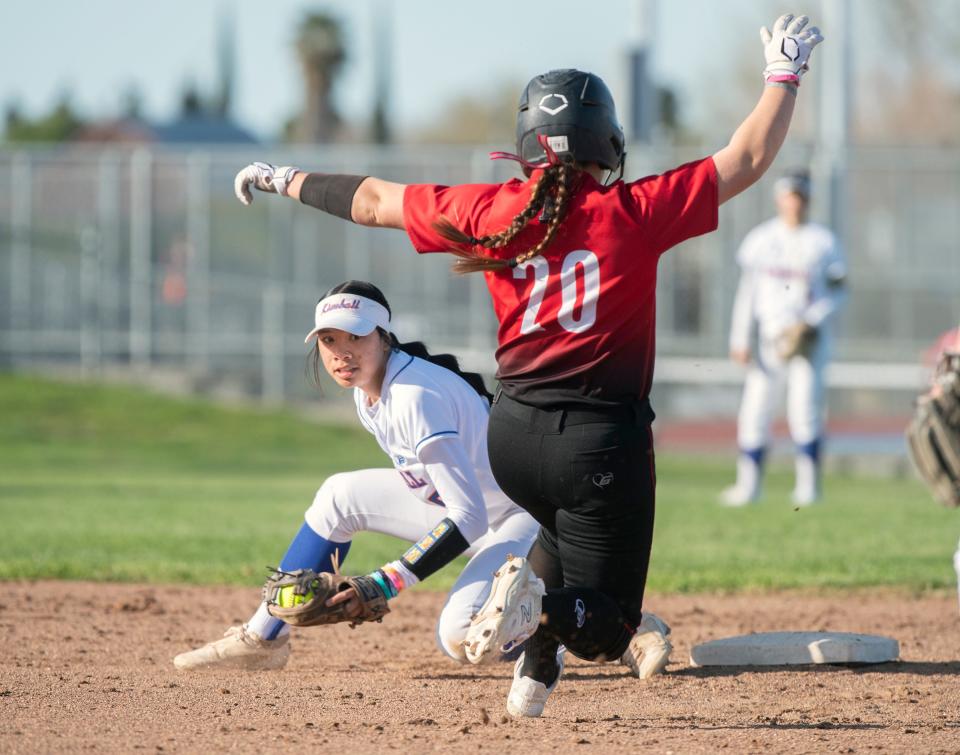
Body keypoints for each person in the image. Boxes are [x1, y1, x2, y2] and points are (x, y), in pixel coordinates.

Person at [231, 13, 822, 716]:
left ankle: (532, 674)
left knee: (554, 551)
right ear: (606, 142)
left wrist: (282, 177)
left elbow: (372, 200)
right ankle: (539, 617)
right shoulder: (631, 210)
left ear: (525, 146)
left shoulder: (490, 210)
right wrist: (784, 74)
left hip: (512, 439)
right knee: (607, 625)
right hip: (599, 441)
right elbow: (748, 156)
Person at [173, 280, 543, 669]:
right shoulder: (369, 390)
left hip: (521, 521)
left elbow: (470, 518)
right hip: (471, 512)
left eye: (356, 335)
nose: (342, 352)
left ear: (383, 337)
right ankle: (264, 638)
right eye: (329, 339)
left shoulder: (414, 396)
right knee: (340, 494)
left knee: (459, 637)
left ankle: (563, 622)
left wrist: (386, 581)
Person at [720, 169, 848, 507]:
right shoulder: (762, 240)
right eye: (789, 196)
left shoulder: (823, 241)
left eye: (800, 197)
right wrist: (739, 338)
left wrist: (810, 320)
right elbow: (747, 293)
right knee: (755, 411)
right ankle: (748, 485)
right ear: (779, 199)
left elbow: (838, 292)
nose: (794, 203)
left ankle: (809, 486)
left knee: (805, 409)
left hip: (809, 340)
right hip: (769, 338)